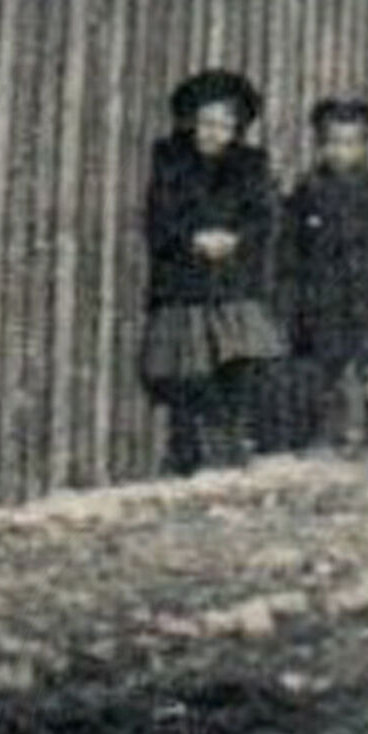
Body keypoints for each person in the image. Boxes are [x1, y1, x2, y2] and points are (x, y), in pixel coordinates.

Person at [136, 67, 284, 473]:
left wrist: (235, 239)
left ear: (237, 128)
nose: (214, 132)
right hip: (184, 283)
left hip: (234, 282)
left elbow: (264, 218)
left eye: (224, 124)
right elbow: (160, 216)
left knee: (238, 362)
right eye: (206, 122)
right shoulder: (170, 160)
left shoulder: (251, 164)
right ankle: (186, 450)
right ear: (190, 121)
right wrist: (192, 239)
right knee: (187, 370)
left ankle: (229, 443)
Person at [278, 96, 368, 459]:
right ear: (320, 145)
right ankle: (326, 434)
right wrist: (294, 284)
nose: (340, 151)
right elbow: (291, 242)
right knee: (325, 367)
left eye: (350, 143)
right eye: (332, 142)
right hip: (324, 295)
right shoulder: (307, 191)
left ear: (365, 146)